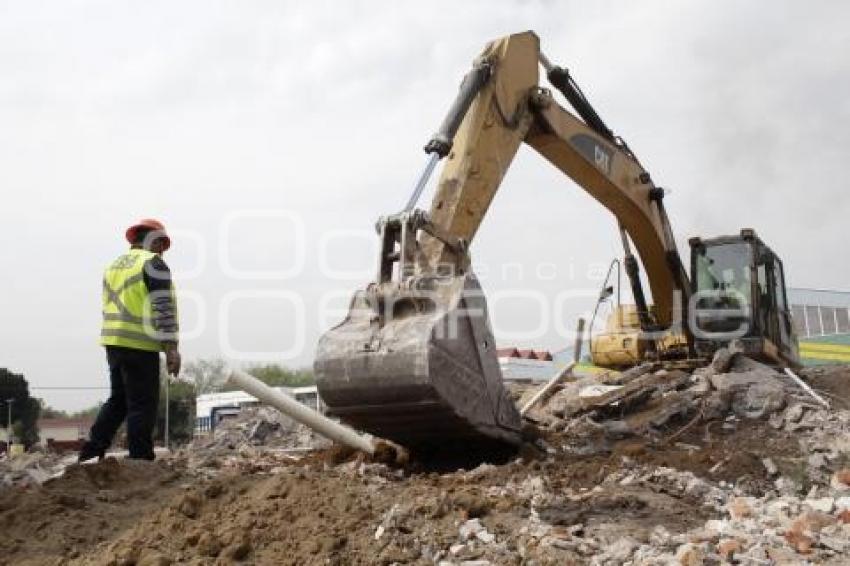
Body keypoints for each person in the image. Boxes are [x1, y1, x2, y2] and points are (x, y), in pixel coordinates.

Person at [79, 219, 181, 461]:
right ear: (153, 240)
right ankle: (140, 460)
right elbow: (163, 307)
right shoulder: (152, 263)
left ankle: (90, 454)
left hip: (113, 341)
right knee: (142, 405)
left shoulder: (113, 266)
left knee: (119, 401)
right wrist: (171, 349)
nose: (162, 252)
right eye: (161, 245)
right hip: (140, 344)